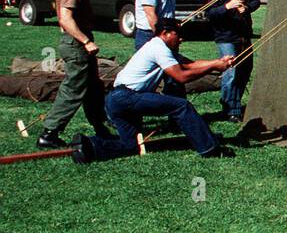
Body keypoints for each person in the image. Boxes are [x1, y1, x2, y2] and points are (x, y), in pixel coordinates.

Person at [73, 18, 235, 163]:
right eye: (178, 34)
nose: (181, 38)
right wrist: (215, 66)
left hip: (115, 100)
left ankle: (89, 146)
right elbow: (181, 77)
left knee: (131, 146)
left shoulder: (160, 47)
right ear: (165, 33)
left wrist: (218, 63)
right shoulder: (159, 49)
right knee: (181, 106)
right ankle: (210, 149)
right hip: (127, 97)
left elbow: (190, 64)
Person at [37, 0, 114, 149]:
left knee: (93, 89)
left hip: (76, 42)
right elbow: (66, 19)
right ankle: (49, 133)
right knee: (74, 89)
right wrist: (86, 41)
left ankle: (101, 127)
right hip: (76, 44)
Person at [202, 0, 263, 121]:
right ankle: (230, 109)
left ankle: (234, 104)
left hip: (244, 34)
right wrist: (227, 7)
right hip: (226, 36)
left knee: (245, 70)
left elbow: (256, 0)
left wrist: (247, 8)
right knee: (231, 71)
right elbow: (210, 14)